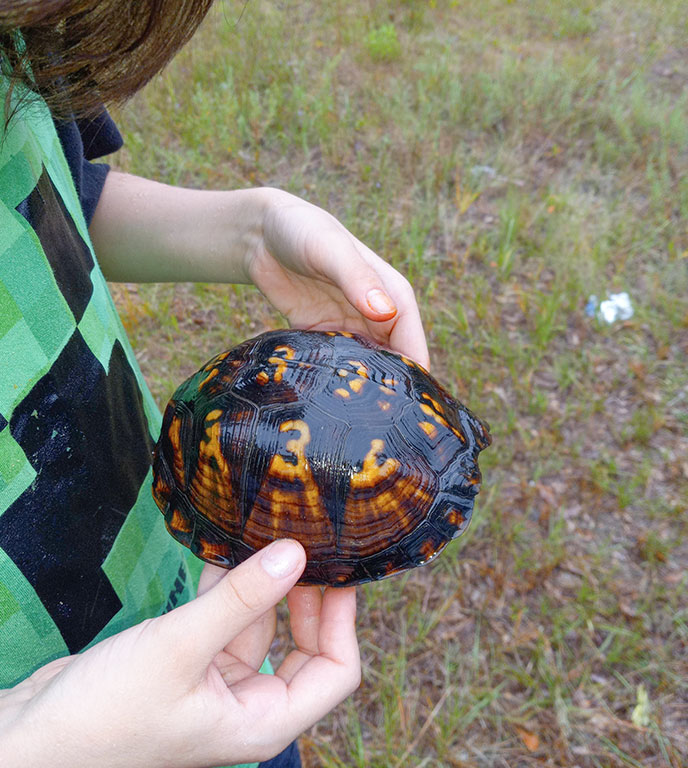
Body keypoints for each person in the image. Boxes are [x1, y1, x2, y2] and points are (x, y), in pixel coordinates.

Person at [0, 2, 429, 767]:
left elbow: (53, 197)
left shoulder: (19, 23)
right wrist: (33, 743)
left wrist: (252, 231)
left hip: (183, 601)